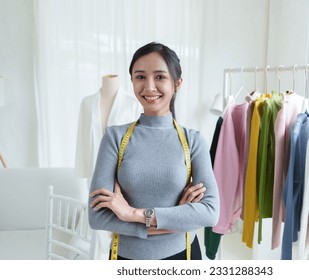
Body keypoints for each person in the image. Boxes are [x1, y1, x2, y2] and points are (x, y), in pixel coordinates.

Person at [88, 42, 220, 260]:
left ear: (177, 83)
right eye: (140, 77)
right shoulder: (114, 138)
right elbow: (97, 216)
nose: (149, 87)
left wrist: (132, 214)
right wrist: (176, 219)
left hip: (184, 256)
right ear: (132, 81)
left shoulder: (193, 141)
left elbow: (210, 212)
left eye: (160, 77)